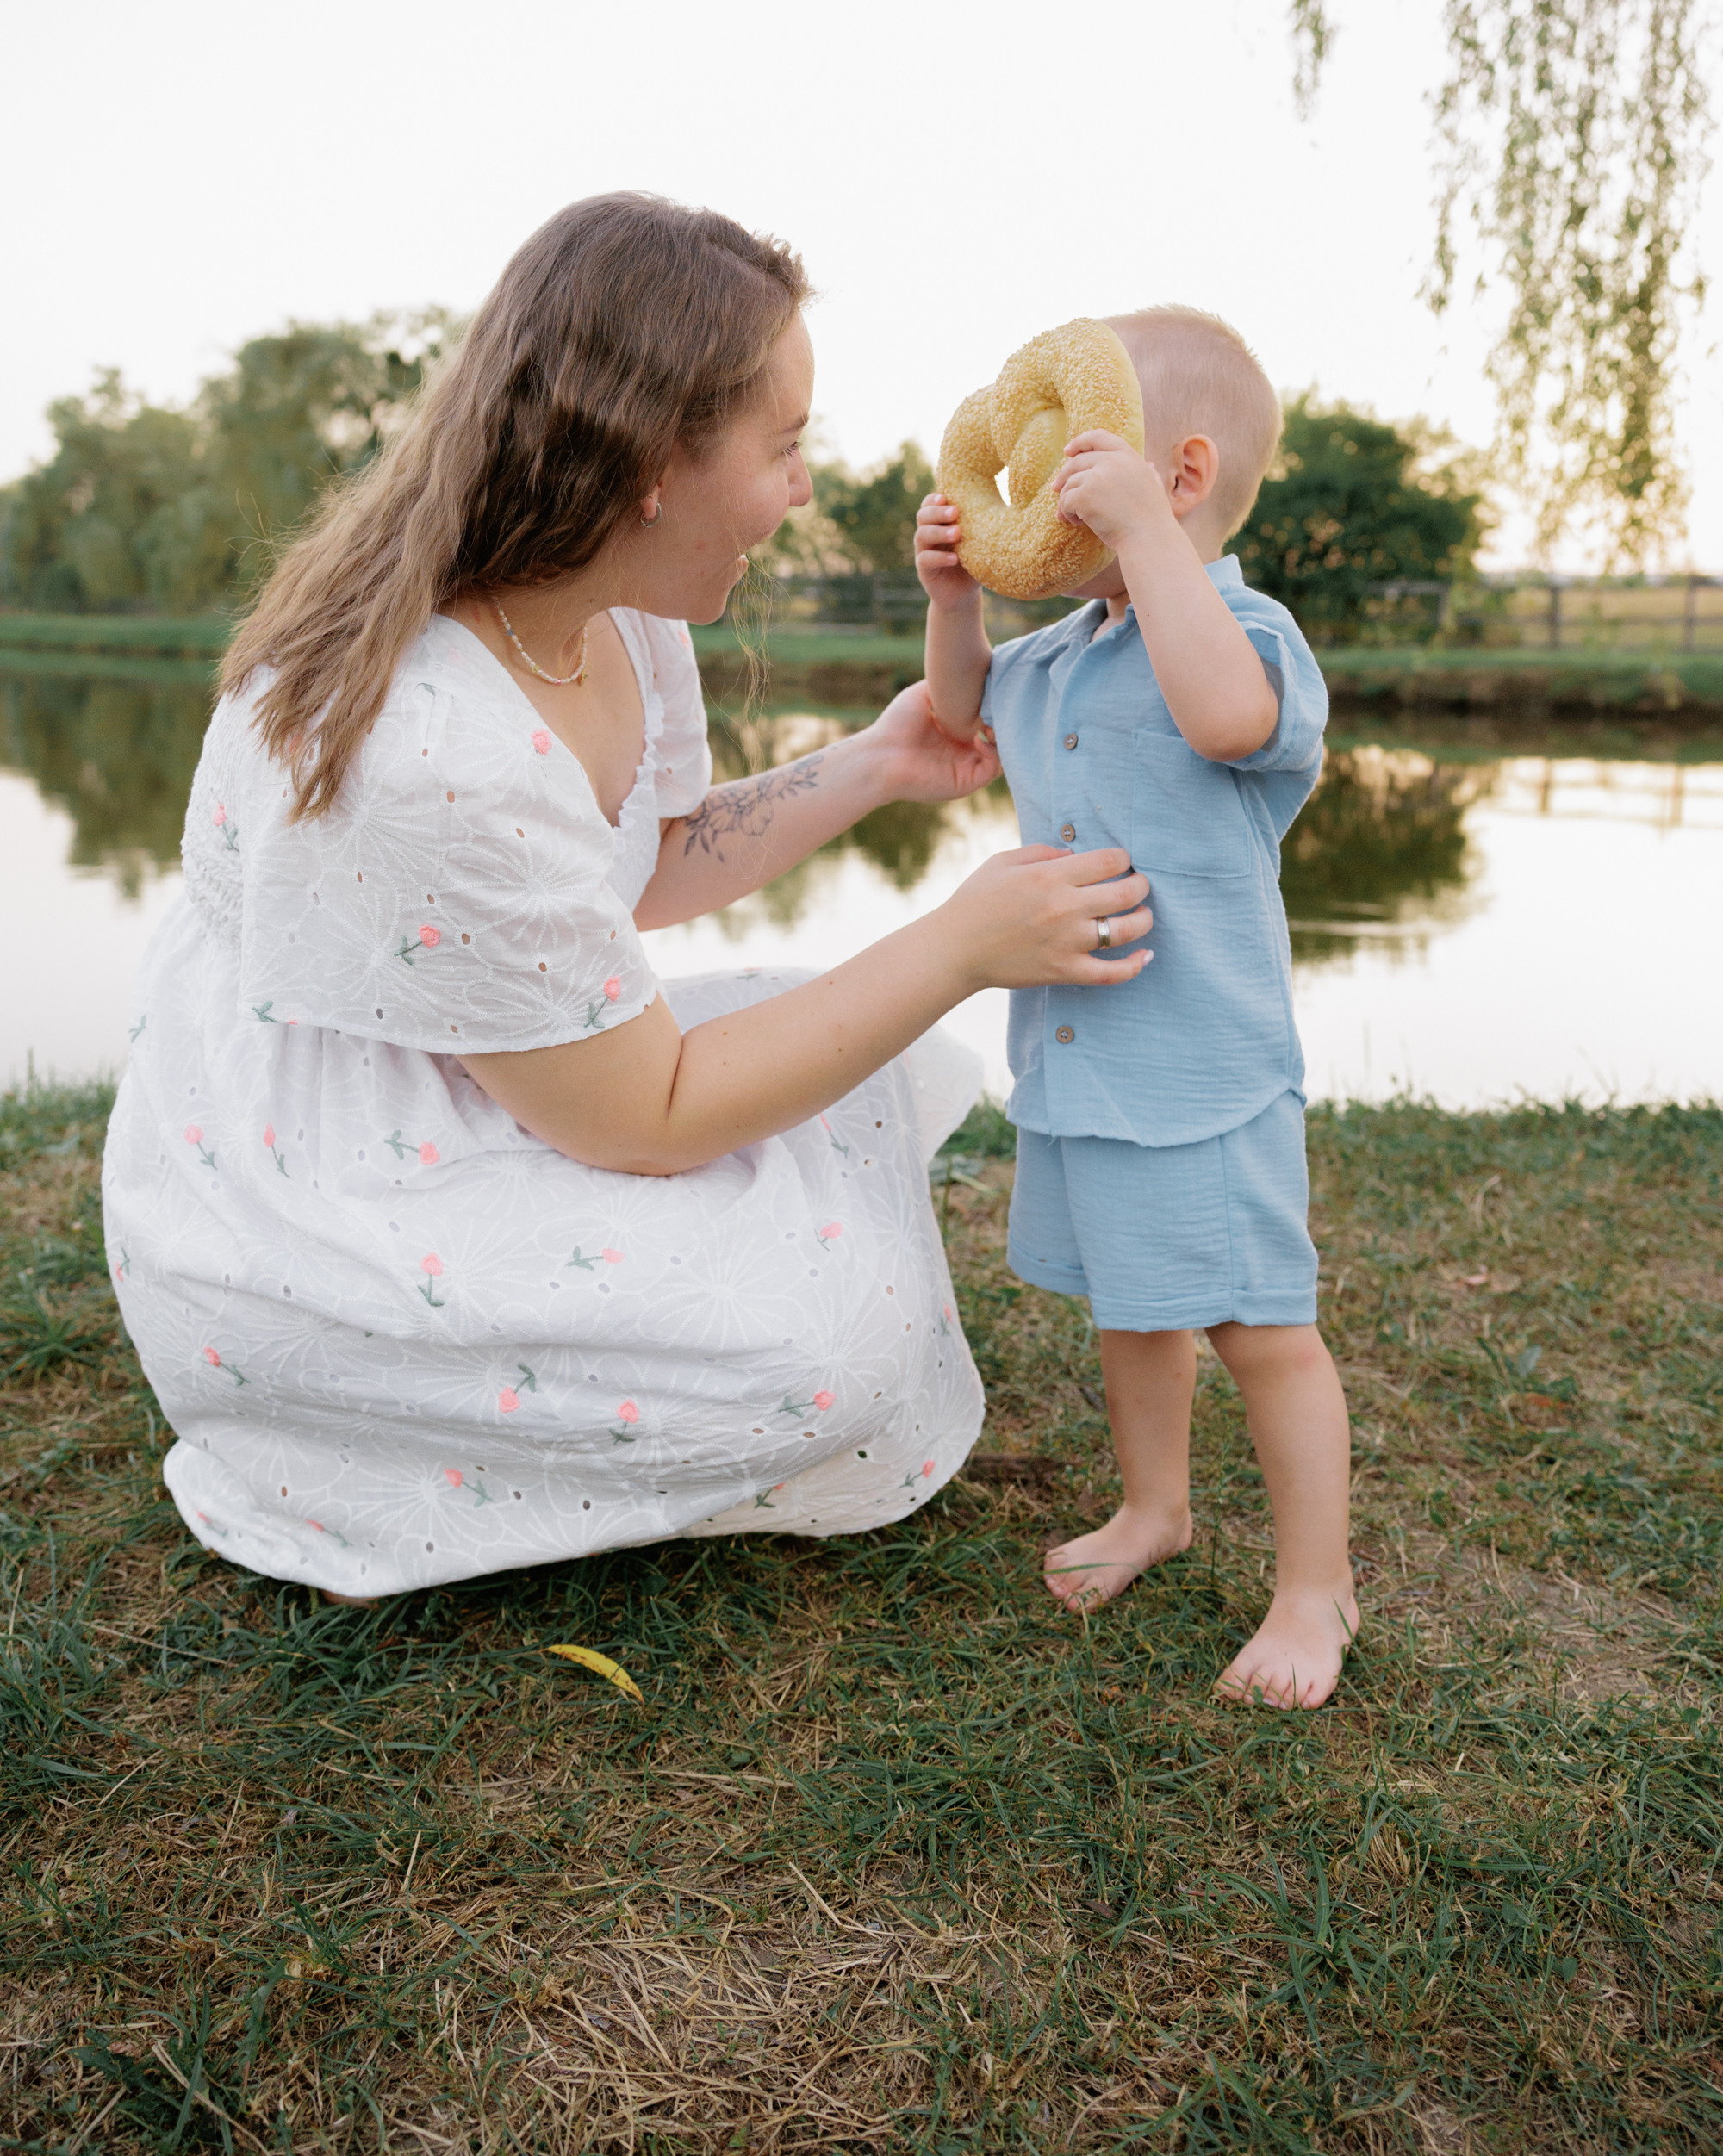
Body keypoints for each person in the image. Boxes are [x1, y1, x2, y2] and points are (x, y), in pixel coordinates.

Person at [102, 195, 1154, 1599]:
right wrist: (959, 942)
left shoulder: (605, 604)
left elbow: (633, 866)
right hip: (312, 1190)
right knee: (827, 1347)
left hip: (493, 1069)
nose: (800, 492)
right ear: (658, 459)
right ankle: (344, 1420)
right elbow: (645, 1118)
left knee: (850, 1086)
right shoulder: (430, 746)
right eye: (783, 449)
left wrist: (873, 763)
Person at [914, 307, 1356, 1709]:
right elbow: (961, 711)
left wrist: (1157, 549)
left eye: (1083, 457)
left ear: (1178, 478)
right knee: (1135, 1311)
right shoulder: (1063, 653)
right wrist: (956, 601)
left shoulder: (1241, 632)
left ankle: (1316, 1588)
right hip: (1081, 1057)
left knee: (1261, 1331)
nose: (1045, 480)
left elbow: (1225, 720)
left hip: (1204, 1069)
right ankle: (1154, 1509)